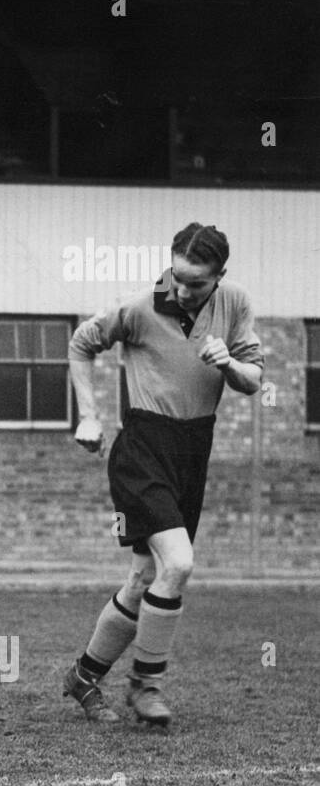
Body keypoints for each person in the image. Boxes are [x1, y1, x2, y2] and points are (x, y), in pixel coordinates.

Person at [63, 223, 262, 727]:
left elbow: (254, 380)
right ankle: (145, 686)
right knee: (178, 564)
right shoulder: (136, 307)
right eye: (176, 276)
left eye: (195, 282)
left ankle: (84, 677)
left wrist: (230, 365)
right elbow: (81, 345)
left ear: (220, 277)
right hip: (142, 448)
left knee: (143, 579)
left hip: (194, 449)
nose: (181, 289)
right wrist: (89, 415)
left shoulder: (235, 303)